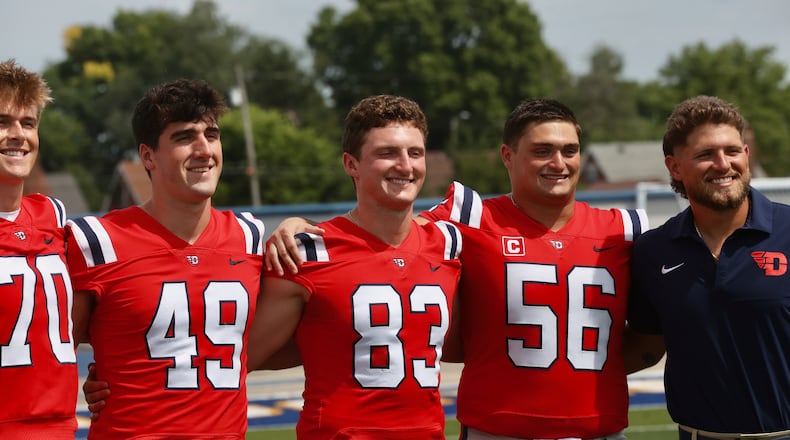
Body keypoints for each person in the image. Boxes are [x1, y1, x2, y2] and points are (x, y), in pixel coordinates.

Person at [268, 98, 652, 439]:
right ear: (508, 156)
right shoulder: (467, 219)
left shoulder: (625, 228)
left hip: (597, 427)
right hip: (496, 428)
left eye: (570, 150)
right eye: (542, 150)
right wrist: (301, 227)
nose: (559, 162)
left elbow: (655, 331)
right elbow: (390, 231)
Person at [246, 94, 463, 438]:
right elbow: (239, 358)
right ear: (351, 164)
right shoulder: (310, 253)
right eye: (387, 153)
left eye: (415, 153)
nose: (405, 166)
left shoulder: (449, 245)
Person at [67, 78, 265, 438]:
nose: (204, 149)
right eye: (185, 137)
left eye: (212, 134)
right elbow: (51, 350)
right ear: (147, 156)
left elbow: (297, 336)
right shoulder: (97, 242)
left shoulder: (250, 237)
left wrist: (299, 223)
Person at [627, 95, 790, 440]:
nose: (722, 164)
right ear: (674, 167)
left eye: (732, 151)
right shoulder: (652, 251)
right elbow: (646, 346)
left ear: (746, 156)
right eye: (705, 155)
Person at [0, 59, 78, 438]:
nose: (18, 135)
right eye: (2, 122)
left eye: (28, 123)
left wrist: (292, 225)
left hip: (61, 425)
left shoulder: (52, 214)